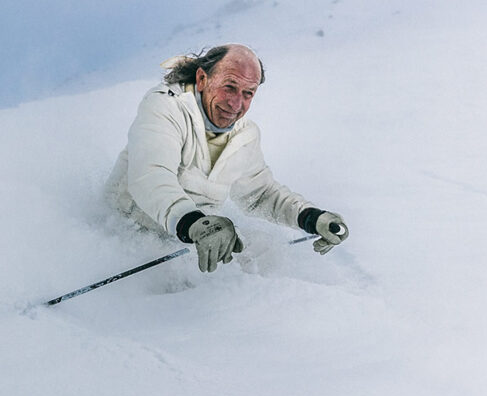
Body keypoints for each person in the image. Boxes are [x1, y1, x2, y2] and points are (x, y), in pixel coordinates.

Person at [104, 42, 349, 272]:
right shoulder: (165, 107)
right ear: (202, 79)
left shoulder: (245, 135)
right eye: (229, 87)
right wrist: (194, 223)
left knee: (265, 261)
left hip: (192, 245)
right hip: (125, 239)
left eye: (248, 93)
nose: (235, 103)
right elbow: (151, 176)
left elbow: (260, 195)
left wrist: (312, 218)